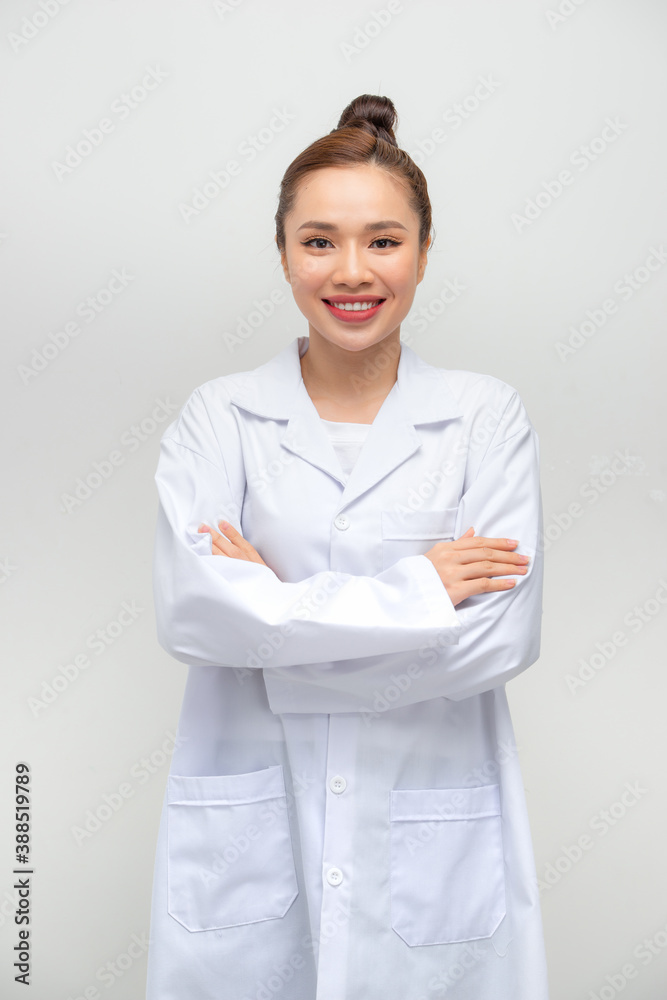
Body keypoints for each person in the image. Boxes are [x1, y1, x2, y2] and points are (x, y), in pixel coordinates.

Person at [145, 94, 550, 1000]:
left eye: (383, 239)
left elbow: (498, 640)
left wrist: (272, 634)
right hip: (253, 838)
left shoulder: (484, 418)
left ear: (423, 250)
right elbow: (192, 611)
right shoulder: (222, 418)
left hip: (433, 848)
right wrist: (418, 592)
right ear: (283, 252)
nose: (351, 271)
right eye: (318, 240)